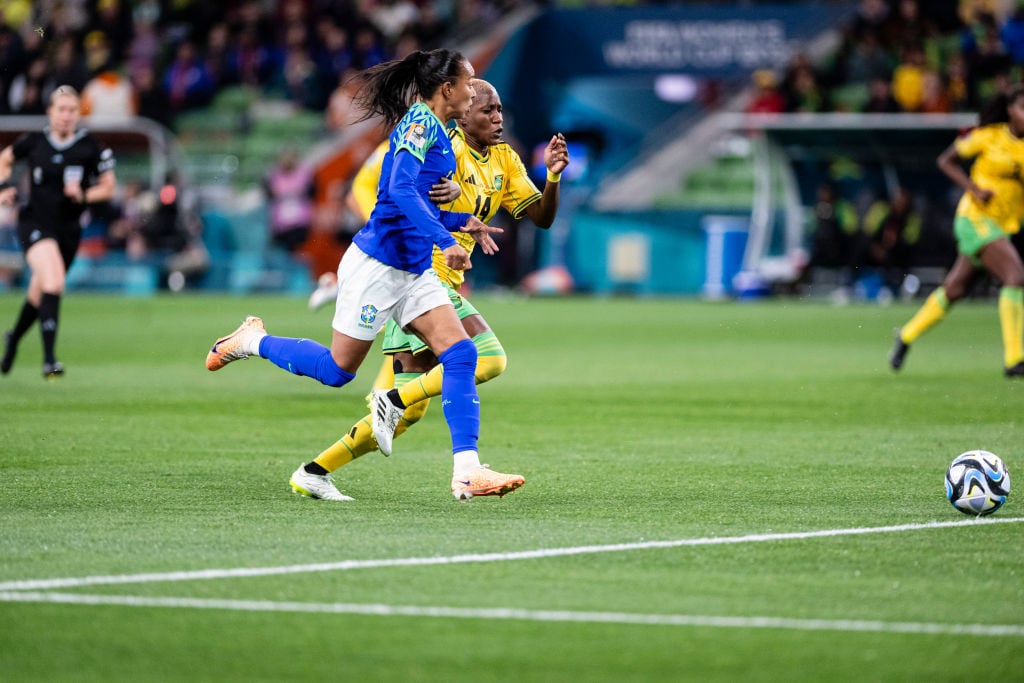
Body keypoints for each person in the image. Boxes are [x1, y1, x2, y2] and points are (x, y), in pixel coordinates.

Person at [204, 48, 518, 501]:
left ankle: (467, 471)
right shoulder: (419, 124)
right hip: (377, 267)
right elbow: (398, 190)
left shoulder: (445, 130)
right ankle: (249, 340)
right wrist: (447, 241)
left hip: (413, 271)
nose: (474, 90)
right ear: (447, 88)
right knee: (337, 371)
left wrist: (458, 220)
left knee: (462, 355)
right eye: (469, 83)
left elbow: (411, 202)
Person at [293, 78, 568, 501]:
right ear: (462, 112)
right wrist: (439, 212)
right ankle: (456, 460)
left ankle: (315, 470)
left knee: (407, 410)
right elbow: (394, 187)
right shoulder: (440, 145)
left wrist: (552, 176)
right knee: (487, 358)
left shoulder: (505, 159)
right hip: (418, 275)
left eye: (500, 111)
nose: (498, 119)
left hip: (437, 282)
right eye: (487, 111)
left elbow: (541, 217)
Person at [890, 85, 1024, 377]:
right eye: (1022, 108)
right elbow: (945, 160)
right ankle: (1015, 359)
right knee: (1015, 276)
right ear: (1010, 110)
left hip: (1002, 226)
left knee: (955, 289)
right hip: (974, 219)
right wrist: (974, 189)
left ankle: (906, 335)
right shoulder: (989, 136)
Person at [0, 85, 117, 379]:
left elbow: (108, 187)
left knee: (39, 293)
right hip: (35, 223)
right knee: (54, 282)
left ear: (79, 113)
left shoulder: (91, 147)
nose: (66, 116)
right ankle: (49, 360)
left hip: (68, 230)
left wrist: (84, 195)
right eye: (60, 109)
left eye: (71, 110)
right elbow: (5, 158)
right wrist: (3, 188)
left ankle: (13, 338)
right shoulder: (35, 141)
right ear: (50, 112)